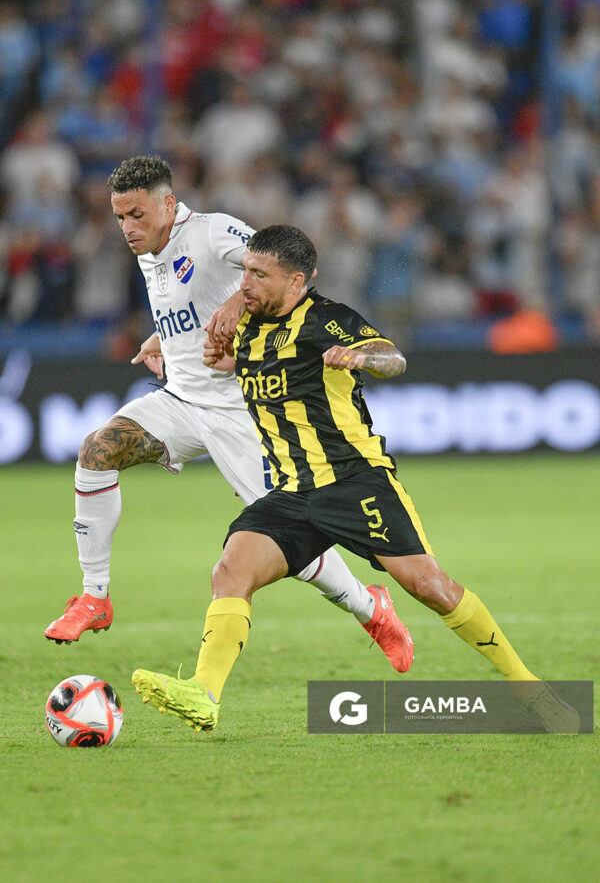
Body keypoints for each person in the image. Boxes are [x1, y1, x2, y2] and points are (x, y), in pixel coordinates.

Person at [132, 224, 580, 734]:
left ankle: (529, 689)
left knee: (429, 585)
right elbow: (266, 368)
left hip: (355, 482)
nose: (246, 284)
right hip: (293, 492)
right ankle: (204, 694)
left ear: (296, 280)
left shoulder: (328, 320)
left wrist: (361, 357)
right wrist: (217, 360)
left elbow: (393, 356)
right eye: (245, 271)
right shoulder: (250, 326)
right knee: (230, 572)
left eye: (259, 274)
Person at [44, 155, 413, 675]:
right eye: (119, 217)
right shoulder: (151, 248)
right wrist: (165, 339)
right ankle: (94, 597)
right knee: (96, 451)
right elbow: (189, 306)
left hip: (244, 409)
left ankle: (371, 608)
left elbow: (273, 266)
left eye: (137, 214)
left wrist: (241, 303)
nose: (128, 228)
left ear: (169, 204)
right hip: (180, 401)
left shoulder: (213, 233)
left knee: (292, 546)